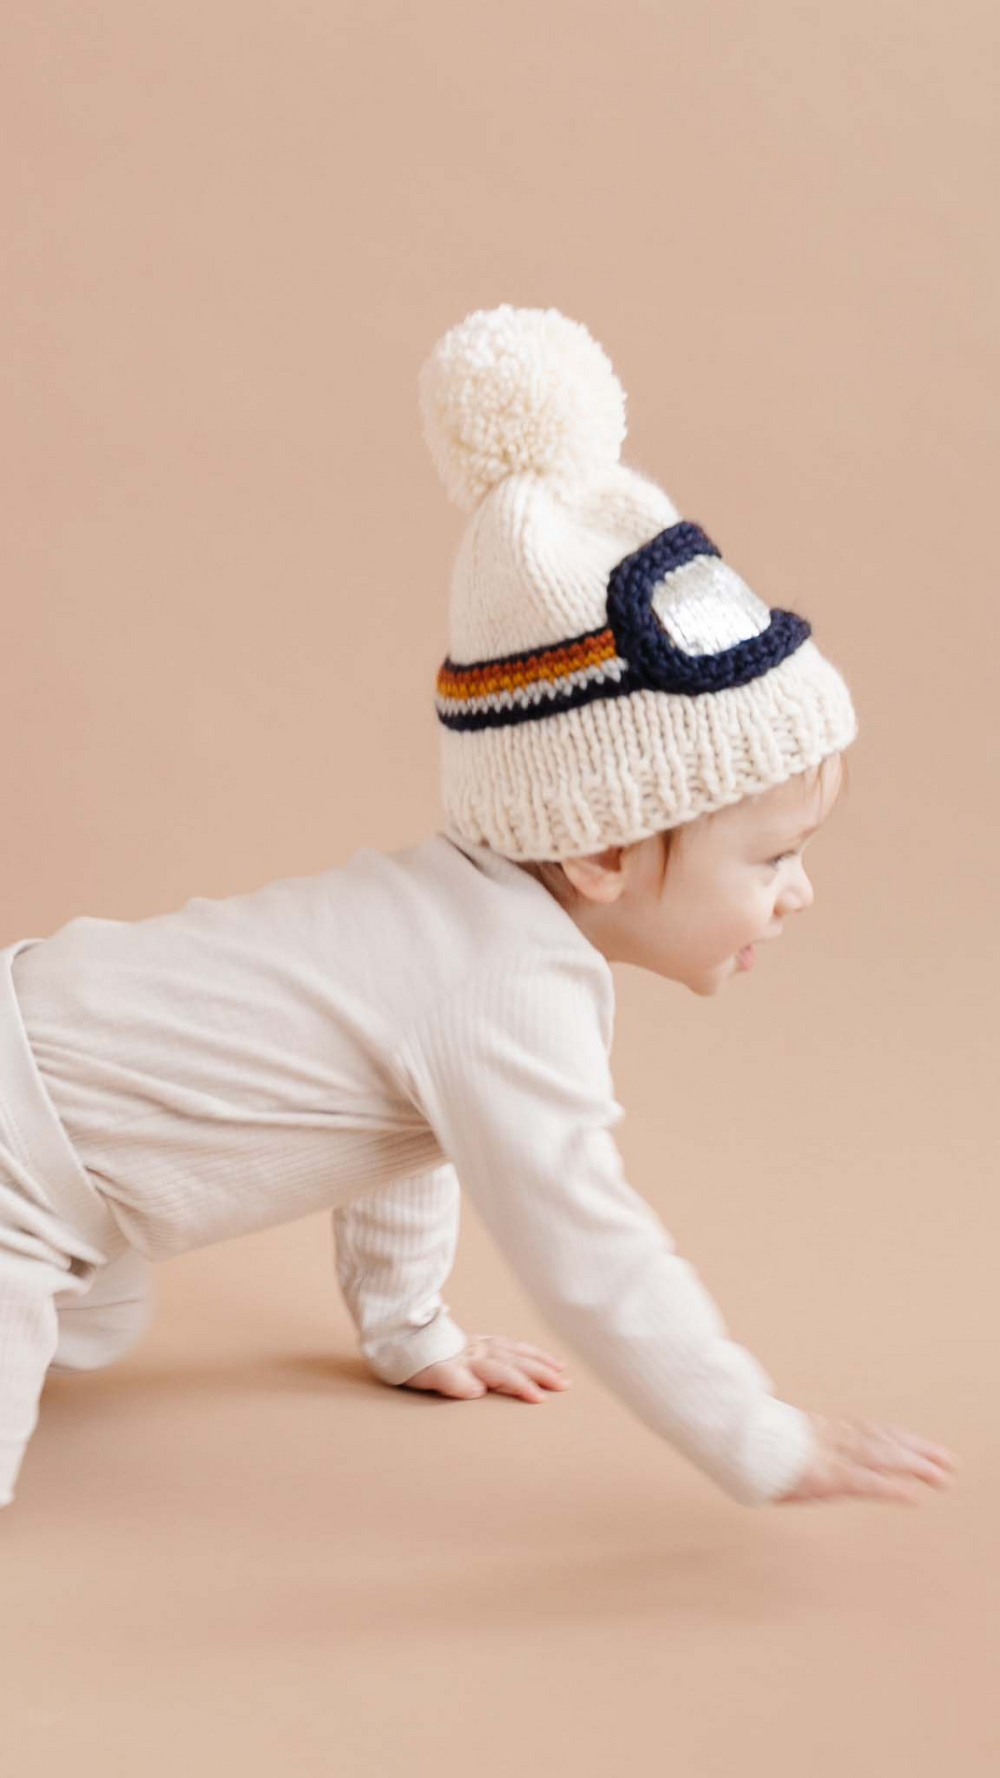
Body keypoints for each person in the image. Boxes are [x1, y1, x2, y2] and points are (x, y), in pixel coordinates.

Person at [0, 304, 958, 1513]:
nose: (798, 892)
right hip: (16, 1163)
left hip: (54, 1128)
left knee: (93, 1317)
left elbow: (408, 1137)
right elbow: (589, 1249)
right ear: (603, 847)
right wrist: (762, 1438)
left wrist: (409, 1330)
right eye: (771, 857)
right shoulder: (509, 985)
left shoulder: (453, 938)